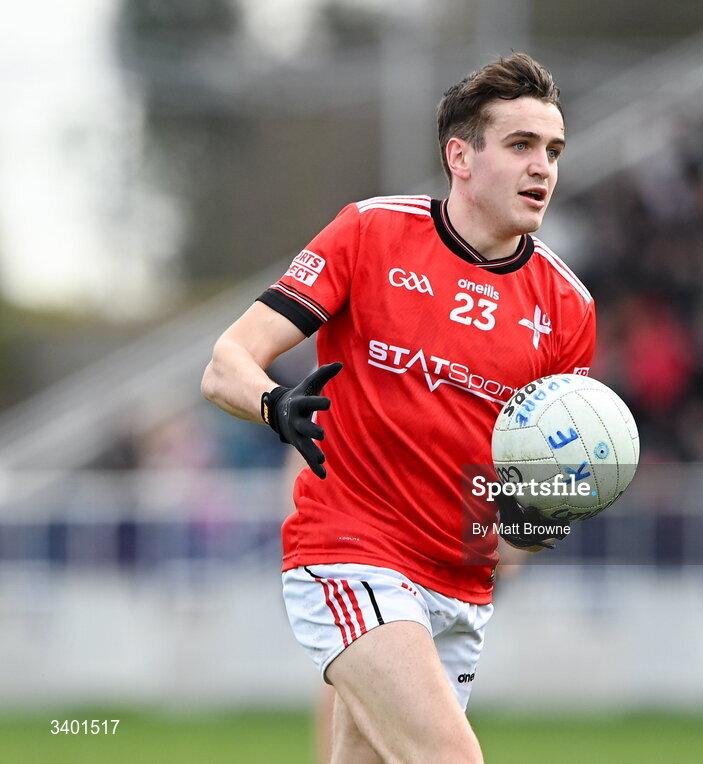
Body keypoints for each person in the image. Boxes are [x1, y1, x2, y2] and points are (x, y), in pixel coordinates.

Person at [201, 52, 595, 763]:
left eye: (554, 150)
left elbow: (534, 487)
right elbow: (225, 363)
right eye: (521, 145)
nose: (544, 167)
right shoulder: (371, 233)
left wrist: (537, 518)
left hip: (462, 585)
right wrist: (276, 405)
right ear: (460, 157)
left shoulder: (569, 307)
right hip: (351, 553)